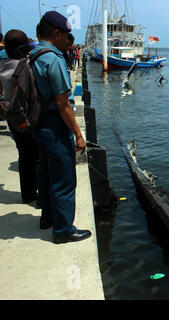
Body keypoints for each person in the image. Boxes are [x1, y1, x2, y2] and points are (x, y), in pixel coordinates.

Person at [31, 11, 91, 244]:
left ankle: (47, 217)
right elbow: (63, 102)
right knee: (64, 179)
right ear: (56, 34)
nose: (69, 40)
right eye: (66, 35)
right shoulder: (53, 59)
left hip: (39, 122)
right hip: (56, 125)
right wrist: (78, 134)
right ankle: (64, 229)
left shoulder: (33, 54)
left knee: (46, 174)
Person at [0, 30, 40, 206]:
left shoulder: (3, 66)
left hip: (11, 116)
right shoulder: (25, 66)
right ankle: (40, 196)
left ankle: (28, 194)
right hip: (28, 117)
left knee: (23, 155)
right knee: (37, 156)